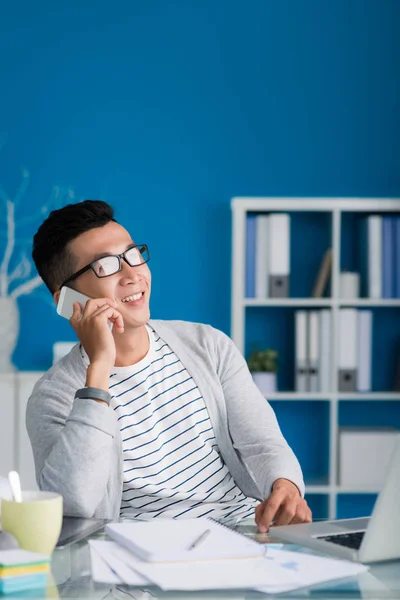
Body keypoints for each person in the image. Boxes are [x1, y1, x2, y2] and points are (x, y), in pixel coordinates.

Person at [27, 200, 312, 532]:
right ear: (66, 300)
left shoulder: (208, 345)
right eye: (106, 266)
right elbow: (74, 505)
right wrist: (99, 370)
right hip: (136, 560)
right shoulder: (53, 397)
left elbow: (262, 443)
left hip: (241, 535)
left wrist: (286, 485)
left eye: (133, 255)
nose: (133, 274)